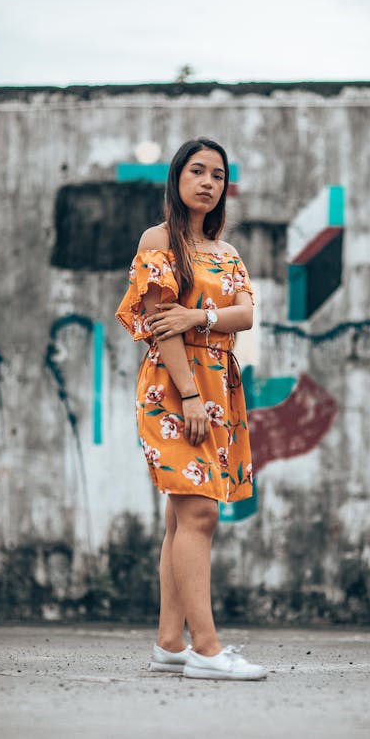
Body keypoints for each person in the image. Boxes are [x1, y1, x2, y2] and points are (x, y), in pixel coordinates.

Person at [115, 137, 267, 681]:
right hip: (175, 387)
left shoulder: (226, 252)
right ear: (177, 178)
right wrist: (191, 395)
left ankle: (169, 643)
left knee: (182, 517)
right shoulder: (159, 239)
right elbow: (160, 324)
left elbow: (246, 314)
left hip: (220, 384)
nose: (208, 182)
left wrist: (198, 317)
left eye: (218, 175)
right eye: (197, 171)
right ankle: (206, 650)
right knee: (201, 513)